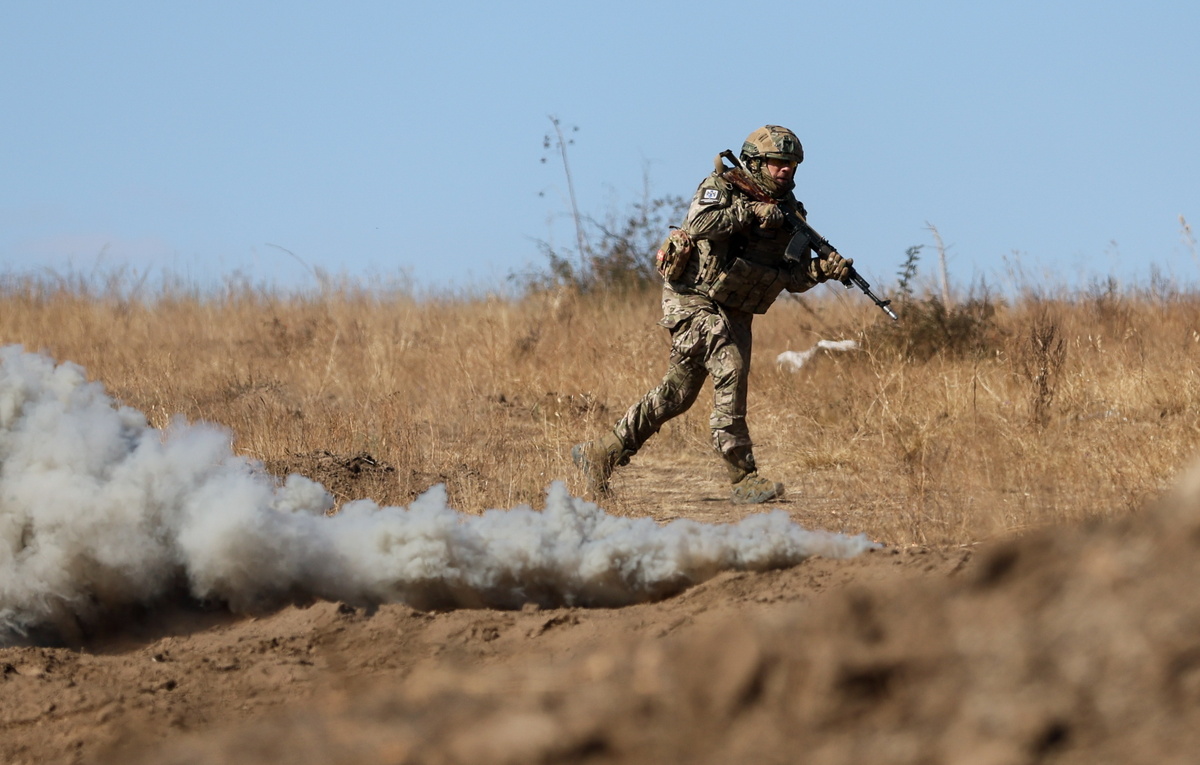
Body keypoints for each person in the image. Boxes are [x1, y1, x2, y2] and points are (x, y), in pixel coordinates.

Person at [572, 125, 853, 504]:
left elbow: (793, 277)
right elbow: (699, 224)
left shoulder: (792, 215)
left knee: (677, 395)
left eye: (791, 164)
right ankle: (743, 477)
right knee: (731, 367)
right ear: (754, 162)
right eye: (777, 163)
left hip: (735, 305)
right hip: (693, 298)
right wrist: (749, 211)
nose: (785, 170)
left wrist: (826, 271)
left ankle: (601, 453)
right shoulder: (723, 187)